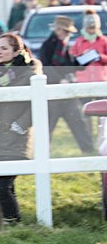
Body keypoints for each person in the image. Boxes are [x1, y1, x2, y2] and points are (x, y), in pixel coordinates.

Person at [0, 34, 42, 225]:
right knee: (4, 186)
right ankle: (13, 224)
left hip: (16, 139)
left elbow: (37, 106)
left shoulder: (29, 74)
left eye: (4, 48)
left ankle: (13, 220)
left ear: (16, 52)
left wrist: (19, 126)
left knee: (2, 186)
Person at [38, 15, 95, 153]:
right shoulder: (48, 45)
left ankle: (88, 150)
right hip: (52, 92)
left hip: (66, 92)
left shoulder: (64, 46)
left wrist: (85, 59)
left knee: (78, 122)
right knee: (48, 125)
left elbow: (71, 66)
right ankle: (42, 152)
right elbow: (45, 67)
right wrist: (59, 80)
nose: (69, 35)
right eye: (67, 32)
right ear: (58, 30)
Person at [69, 10, 107, 85]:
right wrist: (82, 56)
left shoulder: (104, 41)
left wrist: (99, 56)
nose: (92, 30)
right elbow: (72, 61)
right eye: (90, 28)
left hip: (101, 80)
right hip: (83, 80)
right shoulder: (79, 42)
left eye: (94, 28)